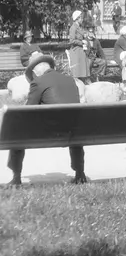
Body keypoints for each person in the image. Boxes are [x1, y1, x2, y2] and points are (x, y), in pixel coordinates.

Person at [5, 51, 88, 187]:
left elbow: (27, 112)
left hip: (48, 133)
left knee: (17, 131)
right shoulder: (70, 80)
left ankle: (16, 177)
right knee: (72, 123)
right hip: (72, 132)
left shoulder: (38, 82)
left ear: (35, 71)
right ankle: (80, 173)